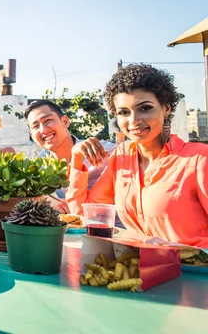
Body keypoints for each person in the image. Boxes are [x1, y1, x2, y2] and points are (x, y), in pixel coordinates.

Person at [66, 64, 208, 248]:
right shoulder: (121, 157)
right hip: (144, 270)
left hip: (197, 273)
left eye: (145, 108)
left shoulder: (199, 160)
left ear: (166, 108)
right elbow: (85, 216)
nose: (133, 121)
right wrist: (77, 161)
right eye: (124, 112)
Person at [24, 99, 116, 200]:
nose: (43, 130)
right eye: (35, 126)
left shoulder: (105, 151)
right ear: (31, 135)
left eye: (48, 121)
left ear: (65, 121)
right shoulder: (40, 166)